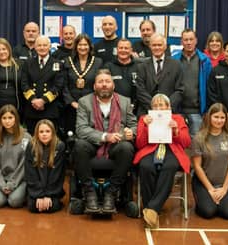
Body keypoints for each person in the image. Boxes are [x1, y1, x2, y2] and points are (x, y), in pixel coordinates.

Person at [73, 69, 137, 213]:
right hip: (93, 144)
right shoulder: (84, 102)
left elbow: (134, 125)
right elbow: (81, 129)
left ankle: (112, 192)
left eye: (107, 81)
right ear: (94, 86)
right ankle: (90, 193)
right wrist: (105, 136)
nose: (104, 85)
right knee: (79, 144)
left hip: (116, 145)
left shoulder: (125, 101)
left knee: (127, 148)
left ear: (113, 85)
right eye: (100, 82)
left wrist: (130, 132)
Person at [133, 93, 191, 229]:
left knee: (169, 167)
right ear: (151, 108)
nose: (158, 108)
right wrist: (146, 127)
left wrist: (176, 130)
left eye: (161, 105)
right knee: (146, 166)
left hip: (172, 149)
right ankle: (152, 210)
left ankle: (152, 209)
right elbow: (139, 144)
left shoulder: (178, 118)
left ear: (168, 107)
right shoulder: (144, 119)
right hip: (150, 149)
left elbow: (186, 142)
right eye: (155, 105)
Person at [191, 103, 228, 219]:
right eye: (216, 117)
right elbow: (197, 167)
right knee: (208, 212)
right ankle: (202, 200)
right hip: (204, 183)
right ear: (209, 117)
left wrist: (224, 189)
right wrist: (210, 189)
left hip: (223, 183)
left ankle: (220, 200)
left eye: (222, 117)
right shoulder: (199, 138)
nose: (219, 120)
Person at [0, 105, 31, 208]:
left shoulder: (26, 137)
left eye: (10, 118)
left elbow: (23, 165)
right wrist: (2, 185)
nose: (7, 121)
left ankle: (20, 193)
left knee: (14, 202)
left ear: (16, 118)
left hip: (19, 179)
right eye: (4, 118)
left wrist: (12, 184)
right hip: (0, 180)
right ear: (0, 120)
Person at [20, 35, 64, 136]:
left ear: (49, 47)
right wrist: (34, 100)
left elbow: (58, 86)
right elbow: (24, 84)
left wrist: (43, 100)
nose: (42, 48)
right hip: (32, 109)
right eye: (39, 45)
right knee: (32, 141)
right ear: (35, 47)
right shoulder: (28, 63)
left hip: (50, 109)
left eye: (45, 45)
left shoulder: (57, 64)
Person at [171, 28, 212, 135]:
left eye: (191, 39)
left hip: (197, 111)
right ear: (181, 42)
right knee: (179, 142)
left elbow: (209, 87)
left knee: (196, 145)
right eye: (185, 40)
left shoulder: (205, 61)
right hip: (177, 111)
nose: (188, 42)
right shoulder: (173, 60)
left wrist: (207, 110)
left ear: (196, 41)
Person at [62, 33, 103, 134]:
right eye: (80, 45)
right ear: (75, 46)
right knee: (71, 135)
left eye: (85, 45)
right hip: (71, 108)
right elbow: (64, 85)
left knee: (90, 134)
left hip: (92, 106)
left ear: (90, 46)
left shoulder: (98, 62)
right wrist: (72, 102)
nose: (83, 47)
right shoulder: (68, 61)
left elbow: (100, 84)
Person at [135, 33, 184, 115]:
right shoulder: (141, 67)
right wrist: (155, 106)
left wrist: (165, 106)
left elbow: (180, 89)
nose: (157, 48)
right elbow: (140, 91)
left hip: (170, 112)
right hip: (147, 112)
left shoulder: (176, 65)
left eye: (159, 45)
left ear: (165, 47)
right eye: (154, 45)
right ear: (150, 46)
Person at [25, 119, 66, 213]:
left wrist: (48, 195)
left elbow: (57, 174)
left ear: (53, 132)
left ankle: (55, 198)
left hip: (52, 189)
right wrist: (38, 195)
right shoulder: (31, 146)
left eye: (47, 131)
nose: (44, 134)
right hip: (36, 188)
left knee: (52, 207)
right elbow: (30, 172)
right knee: (32, 207)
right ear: (37, 133)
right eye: (41, 131)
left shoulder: (59, 146)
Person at [107, 38, 138, 110]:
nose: (123, 50)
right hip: (113, 108)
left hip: (135, 109)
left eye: (126, 48)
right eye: (121, 48)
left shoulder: (139, 66)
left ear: (131, 50)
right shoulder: (108, 66)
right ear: (117, 50)